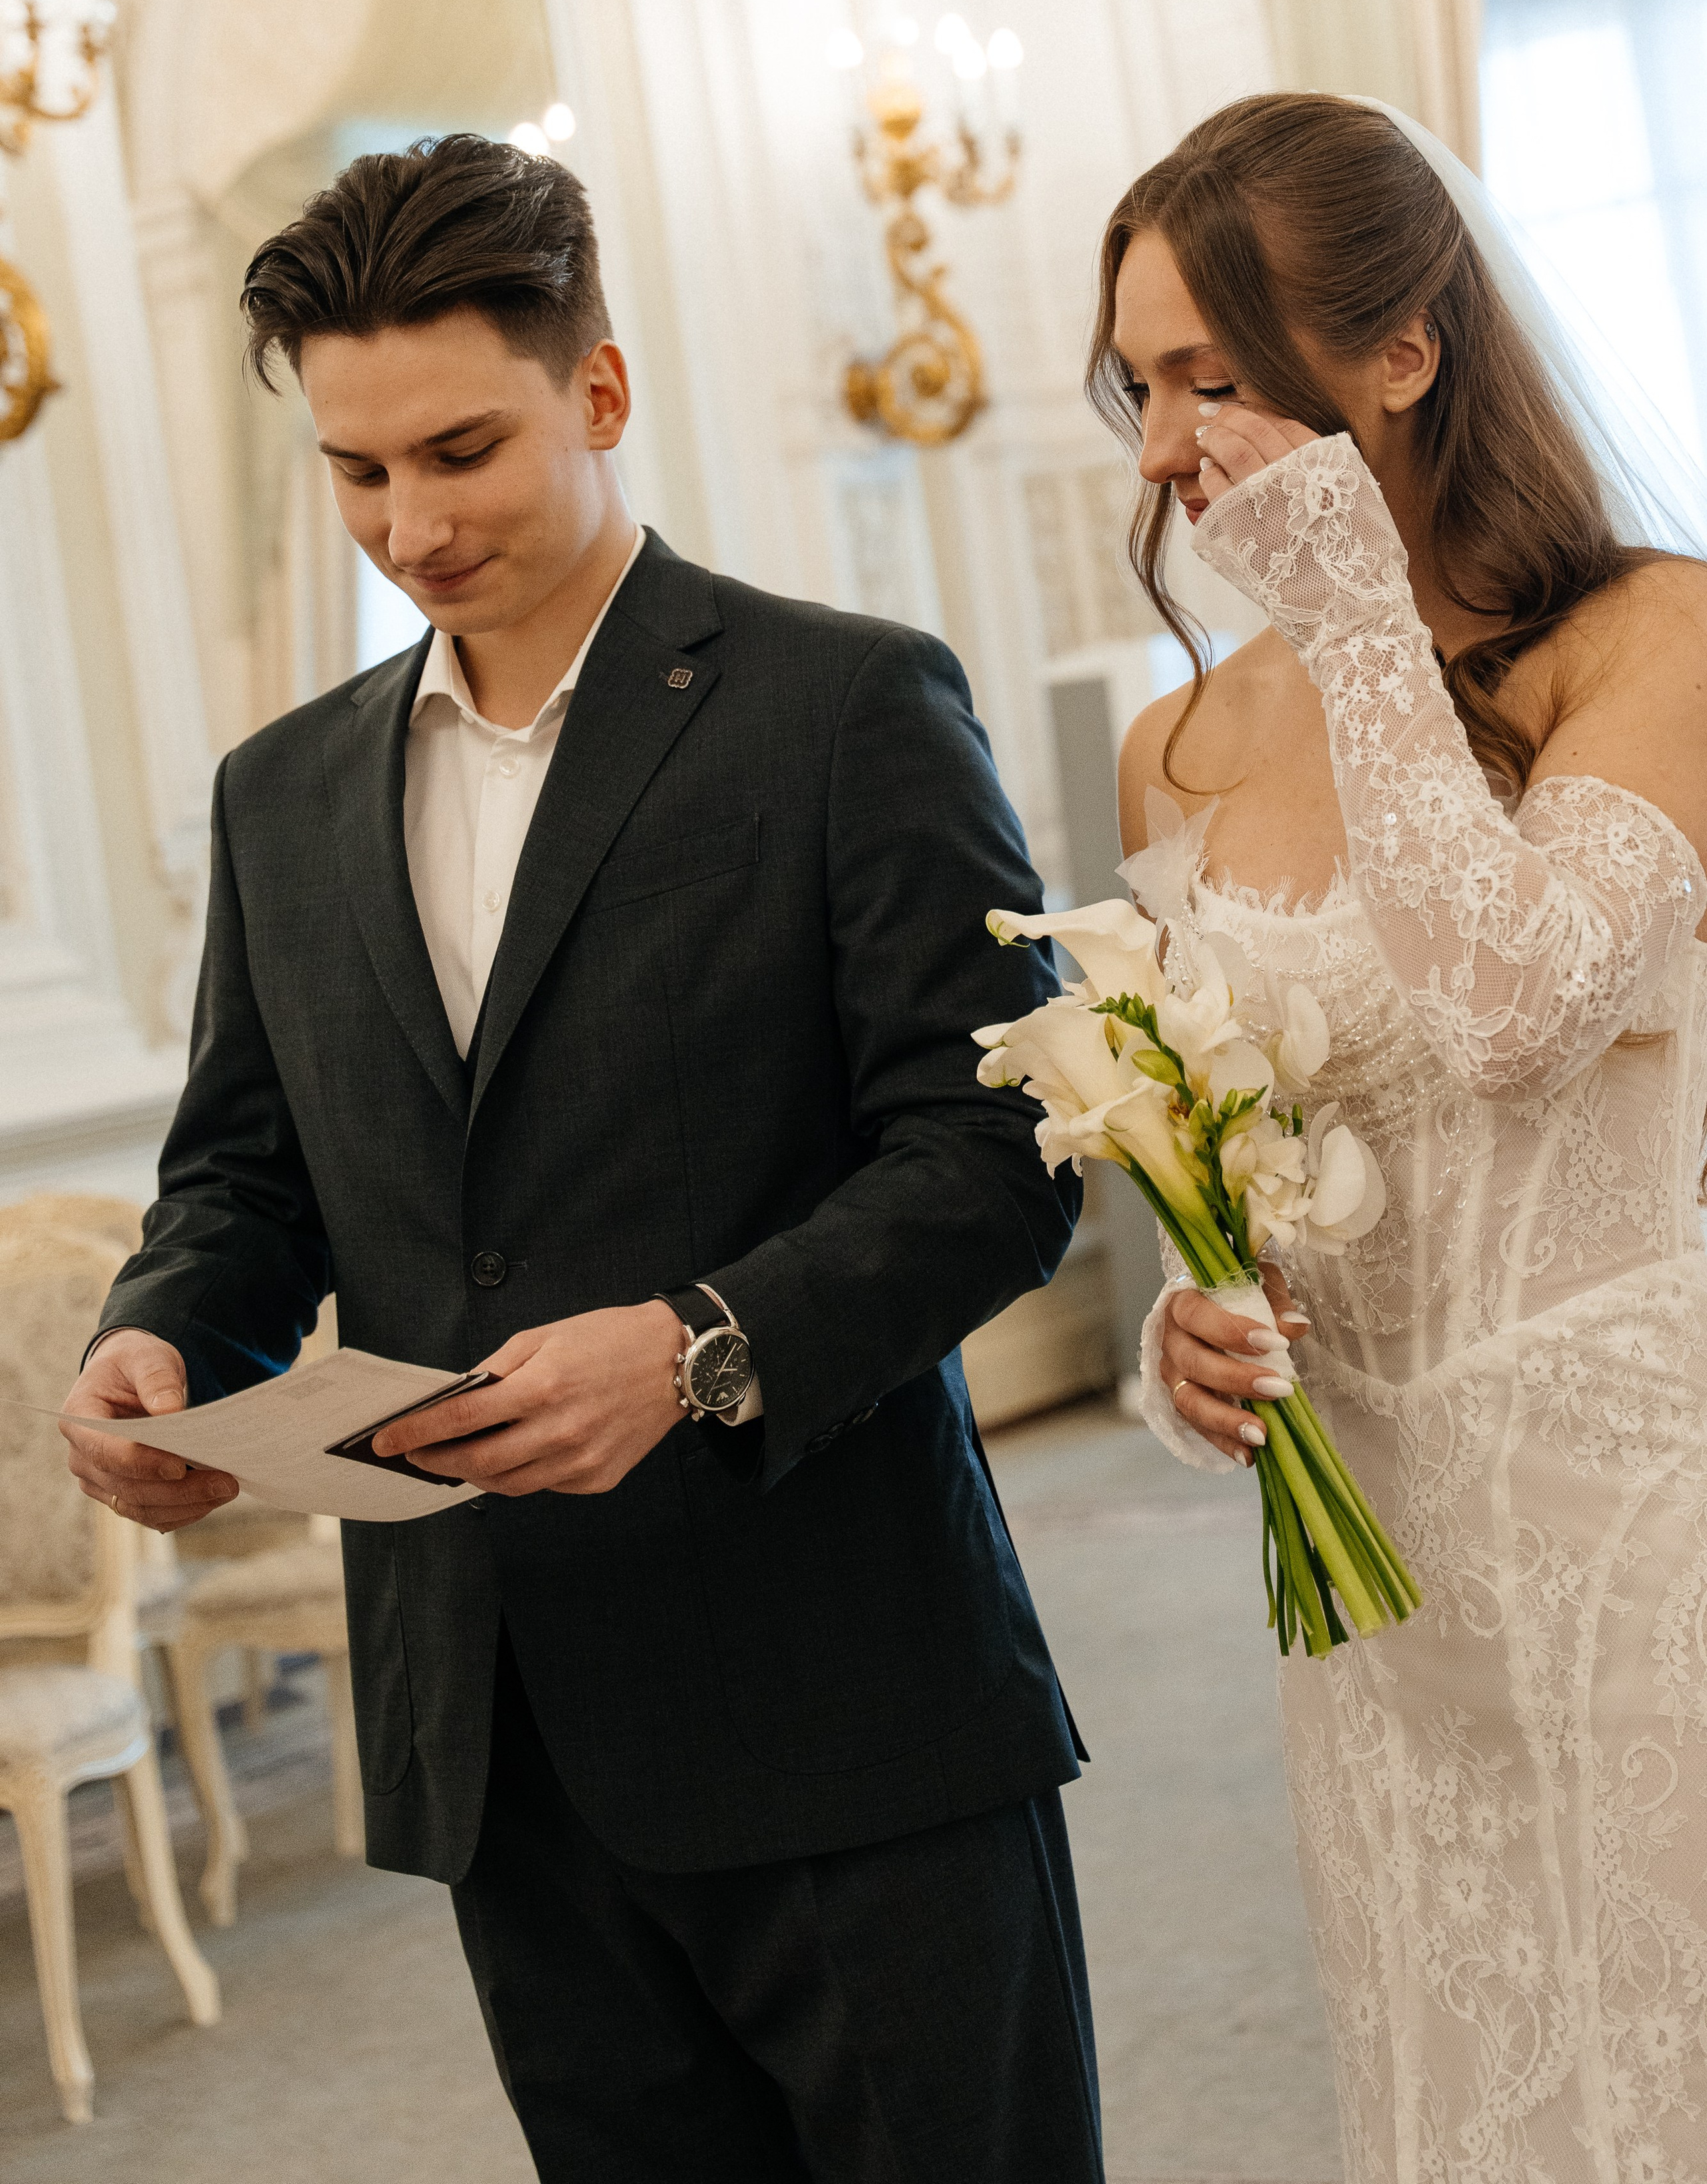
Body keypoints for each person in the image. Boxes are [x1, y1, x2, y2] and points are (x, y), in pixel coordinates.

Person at [57, 134, 1102, 2183]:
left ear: (600, 393)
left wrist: (703, 1345)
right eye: (359, 472)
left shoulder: (846, 706)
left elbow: (1003, 1150)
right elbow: (246, 1184)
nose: (411, 525)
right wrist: (160, 1339)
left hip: (844, 1694)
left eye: (462, 452)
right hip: (494, 1728)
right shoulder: (279, 798)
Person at [1095, 90, 1707, 2184]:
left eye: (1208, 378)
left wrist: (1365, 620)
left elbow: (1509, 1015)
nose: (1162, 449)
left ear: (1401, 352)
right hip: (1373, 1576)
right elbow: (1220, 1165)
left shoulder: (1658, 636)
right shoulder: (1174, 745)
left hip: (1632, 1525)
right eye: (1138, 386)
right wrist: (1191, 1337)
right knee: (1463, 2080)